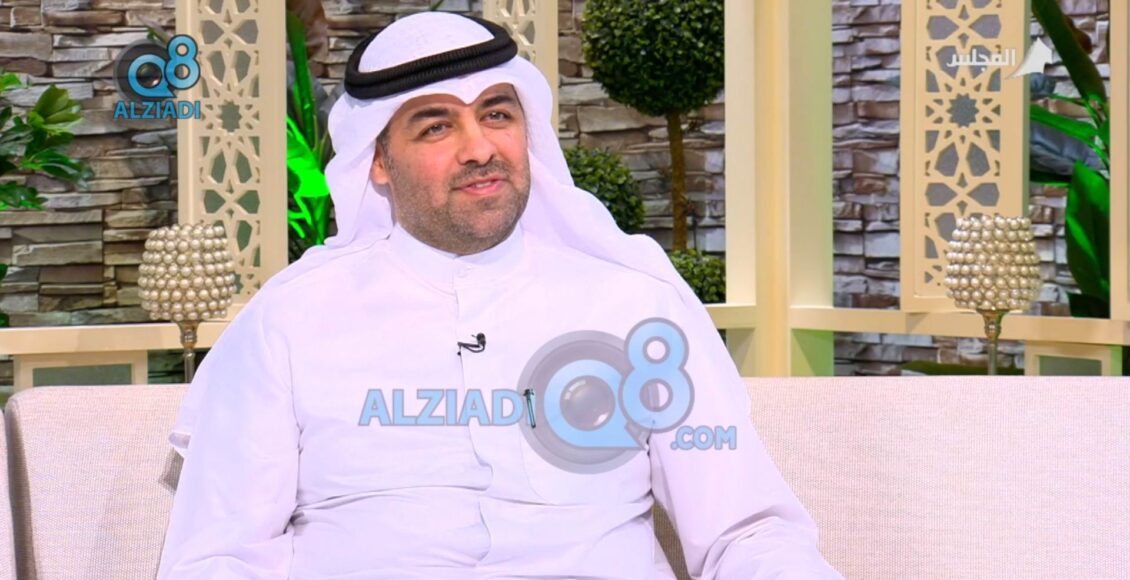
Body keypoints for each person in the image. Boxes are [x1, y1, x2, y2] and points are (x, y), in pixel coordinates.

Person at [157, 11, 842, 579]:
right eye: (436, 126)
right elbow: (219, 554)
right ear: (378, 161)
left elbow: (746, 531)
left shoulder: (635, 305)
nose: (479, 148)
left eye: (496, 115)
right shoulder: (290, 321)